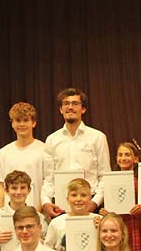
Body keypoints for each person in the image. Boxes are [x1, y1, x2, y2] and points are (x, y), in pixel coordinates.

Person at [42, 88, 112, 216]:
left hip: (91, 205)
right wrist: (46, 202)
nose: (70, 107)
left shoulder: (97, 137)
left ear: (83, 109)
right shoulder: (52, 140)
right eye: (66, 104)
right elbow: (48, 179)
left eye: (75, 103)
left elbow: (105, 176)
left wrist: (95, 203)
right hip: (60, 207)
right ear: (61, 109)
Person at [0, 102, 52, 211]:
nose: (22, 124)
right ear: (12, 124)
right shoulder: (3, 153)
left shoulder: (44, 150)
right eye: (18, 121)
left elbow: (47, 184)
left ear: (33, 123)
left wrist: (38, 212)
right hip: (9, 214)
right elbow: (1, 186)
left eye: (26, 120)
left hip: (36, 213)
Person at [0, 169, 47, 251]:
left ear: (29, 190)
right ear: (6, 190)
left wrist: (37, 240)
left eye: (22, 188)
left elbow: (48, 245)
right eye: (14, 188)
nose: (18, 192)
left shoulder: (39, 217)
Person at [114, 139, 141, 251]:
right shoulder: (112, 181)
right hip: (122, 224)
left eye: (127, 155)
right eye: (120, 155)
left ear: (136, 159)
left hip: (140, 224)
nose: (123, 158)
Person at [44, 177, 98, 251]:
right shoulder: (56, 223)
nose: (78, 199)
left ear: (90, 198)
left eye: (83, 195)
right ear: (67, 198)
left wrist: (102, 227)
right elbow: (46, 249)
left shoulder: (98, 220)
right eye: (74, 195)